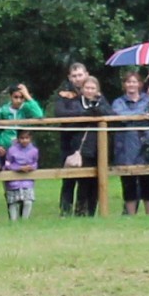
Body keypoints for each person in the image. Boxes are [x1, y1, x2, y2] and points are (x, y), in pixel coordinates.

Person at [56, 75, 109, 216]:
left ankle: (90, 211)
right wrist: (85, 114)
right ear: (82, 89)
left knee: (95, 182)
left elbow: (112, 114)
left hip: (98, 148)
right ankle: (72, 211)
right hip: (79, 147)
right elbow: (66, 118)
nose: (90, 91)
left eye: (93, 88)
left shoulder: (102, 102)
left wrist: (100, 111)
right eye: (87, 88)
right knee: (78, 181)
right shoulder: (75, 103)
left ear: (97, 90)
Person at [111, 71, 149, 215]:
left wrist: (134, 116)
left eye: (134, 81)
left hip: (145, 146)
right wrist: (140, 115)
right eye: (128, 82)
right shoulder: (118, 102)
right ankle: (131, 215)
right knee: (128, 184)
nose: (131, 84)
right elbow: (119, 116)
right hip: (124, 147)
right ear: (124, 85)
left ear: (140, 84)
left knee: (148, 183)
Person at [0, 83, 44, 153]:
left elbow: (39, 115)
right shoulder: (3, 111)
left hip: (24, 145)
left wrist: (27, 95)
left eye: (21, 97)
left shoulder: (27, 108)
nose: (18, 100)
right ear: (10, 96)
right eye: (16, 97)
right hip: (6, 146)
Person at [3, 130, 38, 220]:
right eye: (22, 138)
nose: (24, 140)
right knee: (13, 202)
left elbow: (35, 163)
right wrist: (18, 168)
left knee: (28, 202)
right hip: (13, 182)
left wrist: (31, 167)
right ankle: (13, 221)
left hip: (27, 181)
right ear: (18, 139)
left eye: (27, 138)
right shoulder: (12, 150)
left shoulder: (34, 150)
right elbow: (7, 164)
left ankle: (25, 220)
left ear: (30, 139)